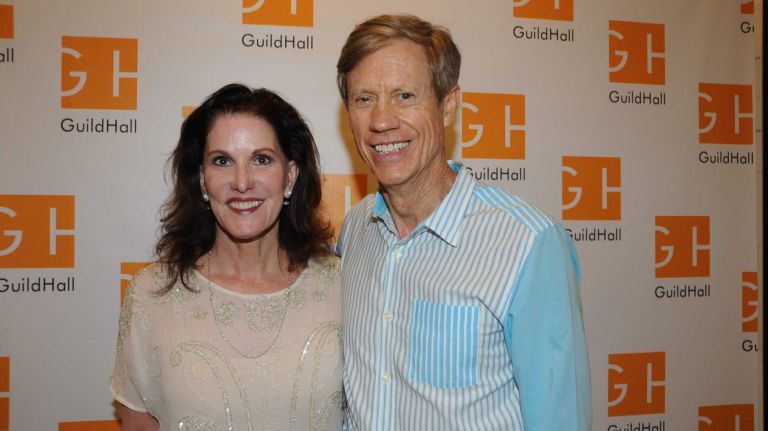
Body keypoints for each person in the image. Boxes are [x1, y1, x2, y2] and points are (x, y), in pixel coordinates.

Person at [335, 14, 591, 430]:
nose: (381, 120)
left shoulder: (528, 243)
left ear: (448, 105)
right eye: (364, 99)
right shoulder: (356, 231)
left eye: (404, 96)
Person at [110, 83, 342, 431]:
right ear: (203, 180)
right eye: (222, 161)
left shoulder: (343, 284)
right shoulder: (152, 296)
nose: (242, 182)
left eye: (262, 159)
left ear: (290, 176)